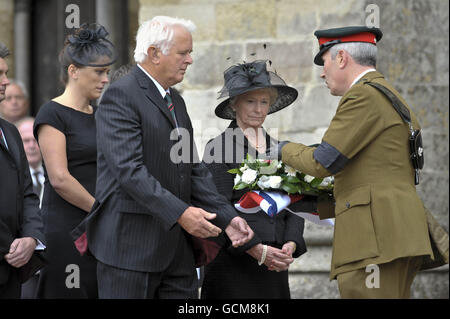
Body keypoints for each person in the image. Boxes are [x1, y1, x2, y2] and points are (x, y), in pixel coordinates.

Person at [79, 16, 253, 299]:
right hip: (130, 250)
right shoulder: (120, 96)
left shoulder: (176, 100)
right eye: (183, 53)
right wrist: (182, 213)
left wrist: (227, 218)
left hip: (176, 252)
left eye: (190, 52)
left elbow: (193, 168)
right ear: (154, 53)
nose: (190, 60)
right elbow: (129, 171)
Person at [278, 26, 433, 298]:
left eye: (324, 62)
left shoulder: (363, 95)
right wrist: (311, 206)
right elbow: (369, 175)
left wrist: (280, 149)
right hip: (394, 233)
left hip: (375, 241)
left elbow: (322, 162)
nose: (322, 72)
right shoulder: (387, 95)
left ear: (341, 58)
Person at [200, 60, 310, 299]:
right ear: (234, 104)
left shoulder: (280, 149)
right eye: (250, 101)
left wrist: (290, 244)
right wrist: (256, 250)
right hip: (234, 263)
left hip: (275, 262)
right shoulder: (218, 147)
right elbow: (216, 207)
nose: (258, 109)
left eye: (264, 102)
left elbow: (295, 203)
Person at [33, 24, 116, 298]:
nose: (105, 79)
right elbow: (59, 179)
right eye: (99, 72)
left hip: (103, 225)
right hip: (67, 227)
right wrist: (101, 210)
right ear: (73, 71)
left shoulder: (103, 114)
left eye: (107, 72)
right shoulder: (52, 113)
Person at [0, 42, 45, 299]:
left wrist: (31, 238)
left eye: (6, 73)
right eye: (0, 74)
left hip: (11, 274)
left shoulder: (11, 133)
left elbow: (27, 194)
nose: (6, 81)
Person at [15, 117, 44, 299]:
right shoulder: (11, 180)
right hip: (22, 264)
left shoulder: (57, 176)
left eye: (36, 140)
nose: (32, 146)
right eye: (26, 141)